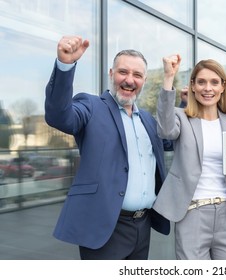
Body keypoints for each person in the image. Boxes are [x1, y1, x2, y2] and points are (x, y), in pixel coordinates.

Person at [45, 36, 171, 260]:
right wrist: (65, 65)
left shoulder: (150, 122)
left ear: (144, 81)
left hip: (142, 225)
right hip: (105, 226)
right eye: (123, 72)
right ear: (111, 74)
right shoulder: (91, 106)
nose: (129, 80)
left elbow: (175, 137)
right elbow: (59, 116)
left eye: (137, 75)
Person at [152, 56, 226, 260]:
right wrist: (169, 77)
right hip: (192, 214)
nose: (208, 88)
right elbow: (165, 130)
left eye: (215, 82)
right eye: (201, 82)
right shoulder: (181, 117)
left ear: (223, 87)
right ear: (193, 87)